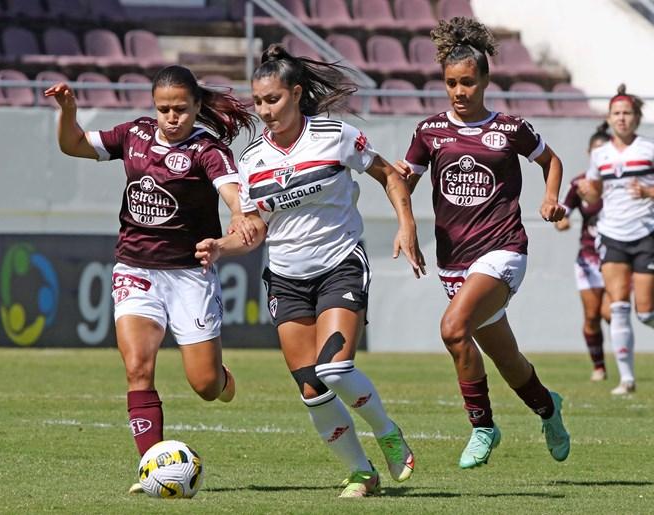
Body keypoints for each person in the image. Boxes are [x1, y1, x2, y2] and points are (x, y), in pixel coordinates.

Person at [195, 44, 426, 498]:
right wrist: (221, 246)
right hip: (285, 277)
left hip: (340, 263)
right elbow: (255, 225)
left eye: (274, 100)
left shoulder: (336, 135)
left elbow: (389, 175)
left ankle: (388, 433)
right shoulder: (251, 162)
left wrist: (407, 226)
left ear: (297, 94)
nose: (265, 111)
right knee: (311, 389)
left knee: (335, 370)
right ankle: (362, 473)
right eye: (259, 102)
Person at [44, 65, 256, 493]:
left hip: (189, 277)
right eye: (164, 109)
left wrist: (237, 213)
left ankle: (220, 376)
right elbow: (73, 145)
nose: (172, 117)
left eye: (181, 108)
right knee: (138, 367)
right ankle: (151, 467)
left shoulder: (208, 150)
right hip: (135, 269)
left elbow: (231, 189)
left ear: (197, 106)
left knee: (205, 386)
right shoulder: (135, 135)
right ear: (153, 108)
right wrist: (68, 111)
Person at [394, 16, 571, 470]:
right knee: (508, 360)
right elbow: (402, 183)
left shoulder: (510, 128)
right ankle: (548, 407)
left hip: (504, 249)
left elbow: (551, 161)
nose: (459, 91)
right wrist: (405, 224)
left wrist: (550, 198)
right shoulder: (429, 132)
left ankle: (482, 426)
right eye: (452, 83)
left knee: (453, 328)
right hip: (453, 259)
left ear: (485, 81)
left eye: (468, 82)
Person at [578, 84, 654, 396]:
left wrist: (650, 191)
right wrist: (588, 193)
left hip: (646, 233)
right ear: (609, 118)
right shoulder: (600, 155)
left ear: (637, 118)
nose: (621, 118)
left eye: (627, 113)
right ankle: (627, 380)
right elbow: (597, 192)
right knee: (619, 308)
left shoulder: (653, 148)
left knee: (646, 311)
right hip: (612, 235)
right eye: (616, 113)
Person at [554, 123, 613, 382]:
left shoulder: (619, 183)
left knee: (610, 313)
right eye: (596, 152)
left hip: (617, 255)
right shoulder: (579, 183)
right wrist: (561, 221)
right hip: (588, 259)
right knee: (591, 316)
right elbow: (562, 213)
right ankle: (599, 367)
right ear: (588, 153)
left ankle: (626, 364)